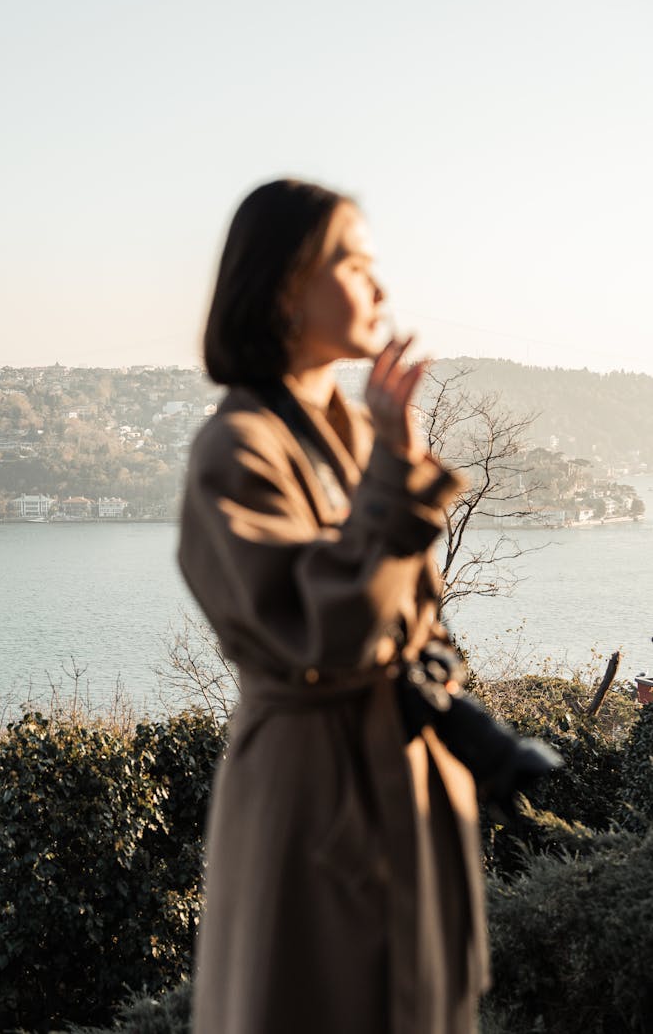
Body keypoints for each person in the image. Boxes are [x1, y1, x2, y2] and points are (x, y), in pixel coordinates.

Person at [178, 179, 489, 1034]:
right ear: (285, 286)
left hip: (397, 778)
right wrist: (395, 469)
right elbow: (327, 631)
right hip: (312, 795)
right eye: (354, 263)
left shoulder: (348, 434)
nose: (381, 289)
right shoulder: (235, 448)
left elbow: (410, 614)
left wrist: (393, 455)